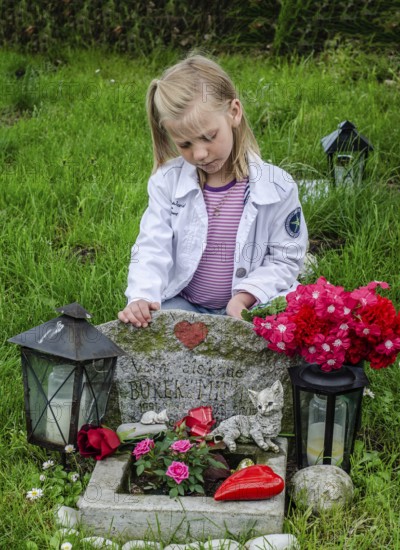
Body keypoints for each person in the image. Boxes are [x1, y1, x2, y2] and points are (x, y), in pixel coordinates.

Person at [118, 53, 308, 328]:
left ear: (234, 112)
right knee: (149, 329)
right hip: (184, 303)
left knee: (290, 322)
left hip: (249, 304)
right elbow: (151, 246)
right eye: (184, 145)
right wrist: (142, 295)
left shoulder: (277, 186)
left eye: (209, 137)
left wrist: (245, 297)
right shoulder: (167, 182)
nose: (199, 153)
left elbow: (286, 258)